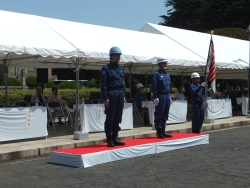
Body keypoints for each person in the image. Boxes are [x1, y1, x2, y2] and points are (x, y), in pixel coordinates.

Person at [101, 46, 126, 147]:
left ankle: (115, 136)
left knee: (118, 116)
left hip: (120, 93)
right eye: (116, 55)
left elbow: (123, 83)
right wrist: (105, 97)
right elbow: (104, 85)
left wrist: (123, 95)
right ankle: (109, 138)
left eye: (119, 55)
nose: (118, 57)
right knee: (110, 117)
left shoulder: (121, 69)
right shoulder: (106, 69)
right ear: (111, 56)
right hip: (111, 94)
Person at [152, 57, 172, 138]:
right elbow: (154, 86)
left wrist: (169, 95)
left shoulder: (167, 74)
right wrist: (155, 97)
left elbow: (169, 85)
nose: (165, 64)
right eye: (163, 63)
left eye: (165, 63)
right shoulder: (157, 74)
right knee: (159, 114)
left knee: (165, 113)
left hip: (166, 95)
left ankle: (163, 130)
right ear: (159, 64)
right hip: (160, 95)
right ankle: (159, 131)